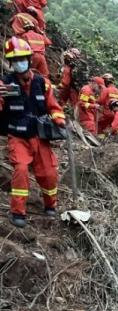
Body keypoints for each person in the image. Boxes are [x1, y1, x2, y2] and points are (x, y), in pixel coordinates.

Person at [0, 37, 65, 228]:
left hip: (40, 136)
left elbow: (54, 107)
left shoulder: (42, 83)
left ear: (29, 59)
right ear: (10, 63)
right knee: (20, 169)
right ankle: (17, 212)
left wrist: (59, 119)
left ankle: (50, 206)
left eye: (22, 58)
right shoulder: (4, 84)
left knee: (49, 173)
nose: (19, 63)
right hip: (18, 137)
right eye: (15, 60)